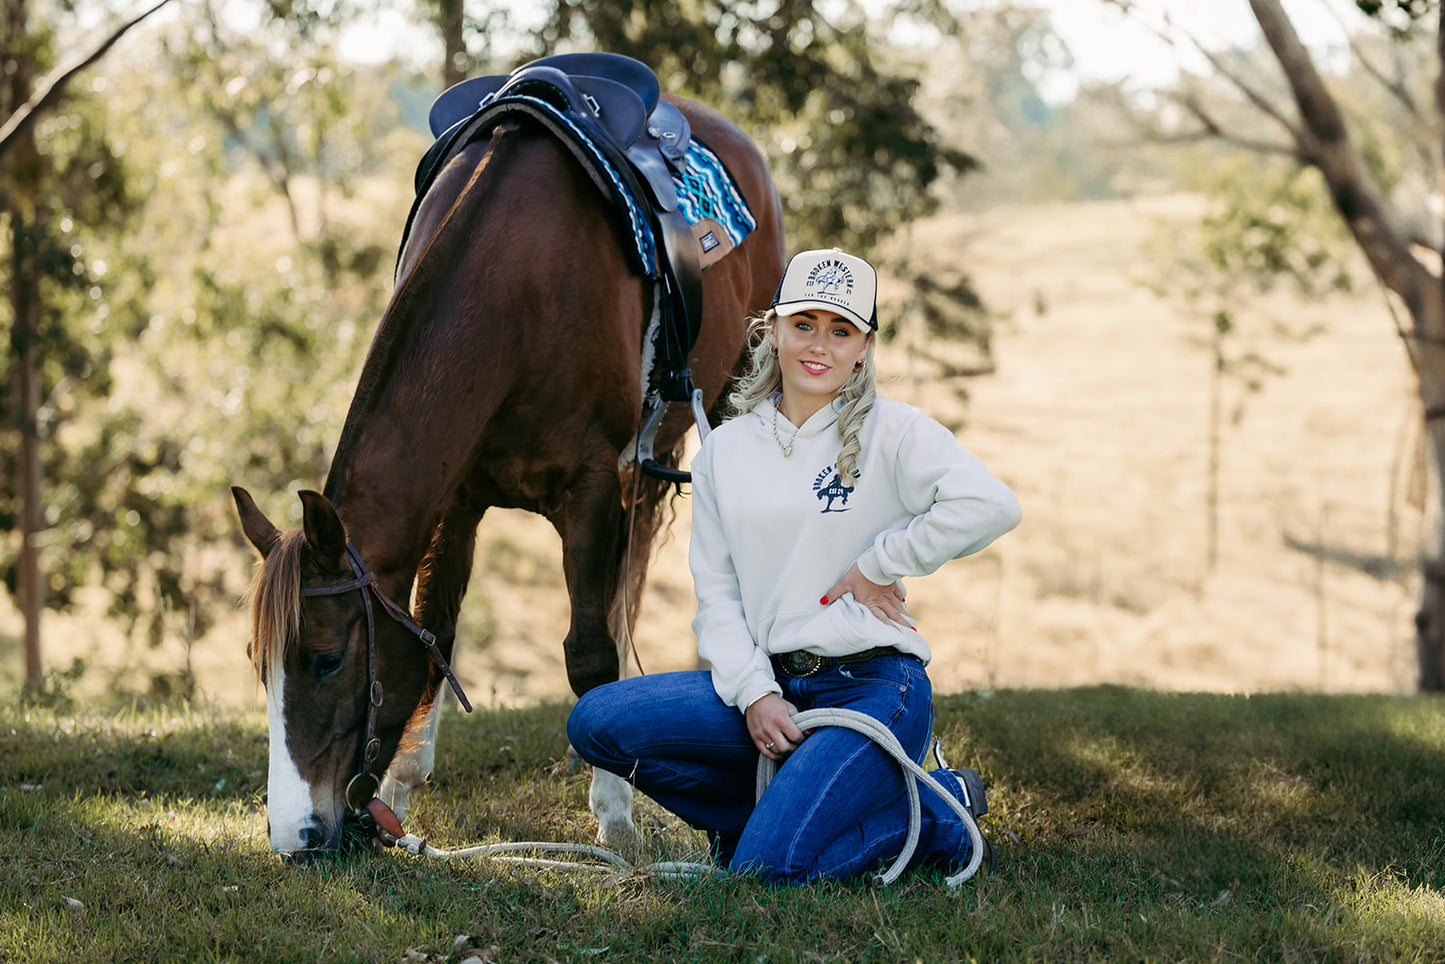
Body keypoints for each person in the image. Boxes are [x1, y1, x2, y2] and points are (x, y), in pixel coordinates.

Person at [568, 247, 1020, 884]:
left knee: (765, 875)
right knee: (598, 722)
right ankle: (764, 818)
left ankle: (943, 809)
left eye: (841, 331)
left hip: (872, 691)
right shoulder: (725, 450)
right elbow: (719, 599)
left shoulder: (895, 432)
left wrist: (883, 562)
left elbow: (991, 505)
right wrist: (755, 693)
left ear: (864, 346)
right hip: (772, 688)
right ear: (772, 329)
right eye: (804, 324)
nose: (820, 346)